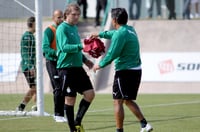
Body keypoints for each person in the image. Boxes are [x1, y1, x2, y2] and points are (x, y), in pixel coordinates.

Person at [90, 8, 153, 132]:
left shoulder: (120, 34)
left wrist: (100, 65)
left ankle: (119, 130)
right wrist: (100, 34)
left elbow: (112, 53)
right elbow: (113, 34)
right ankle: (144, 124)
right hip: (135, 70)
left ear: (114, 20)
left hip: (125, 72)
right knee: (127, 100)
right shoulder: (130, 30)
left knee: (117, 102)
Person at [56, 3, 95, 132]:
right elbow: (64, 47)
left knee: (90, 94)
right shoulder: (62, 28)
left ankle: (77, 121)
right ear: (66, 15)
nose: (77, 17)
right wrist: (81, 45)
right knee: (70, 98)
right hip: (66, 69)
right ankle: (73, 129)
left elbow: (78, 49)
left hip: (78, 68)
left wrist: (85, 60)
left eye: (78, 14)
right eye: (74, 14)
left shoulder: (74, 28)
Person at [42, 10, 67, 122]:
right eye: (58, 17)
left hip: (63, 62)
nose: (61, 19)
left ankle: (62, 111)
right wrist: (57, 53)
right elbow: (45, 48)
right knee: (57, 87)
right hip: (52, 62)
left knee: (63, 87)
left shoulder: (64, 29)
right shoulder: (49, 30)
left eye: (62, 17)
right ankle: (58, 114)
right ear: (53, 18)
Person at [16, 16, 37, 112]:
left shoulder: (32, 36)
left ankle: (37, 106)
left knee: (37, 87)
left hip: (32, 66)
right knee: (34, 87)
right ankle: (21, 106)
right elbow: (25, 53)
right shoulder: (26, 36)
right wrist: (31, 66)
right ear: (32, 24)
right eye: (36, 24)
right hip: (27, 66)